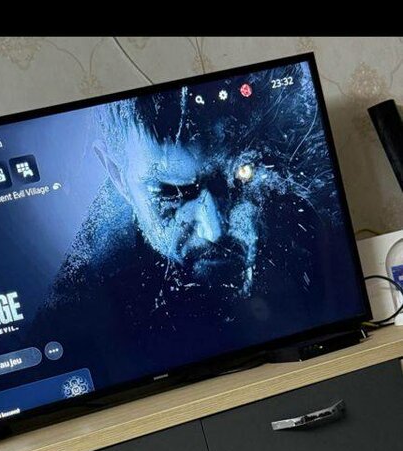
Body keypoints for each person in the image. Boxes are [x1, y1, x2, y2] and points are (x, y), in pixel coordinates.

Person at [33, 71, 347, 380]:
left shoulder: (307, 220)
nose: (215, 231)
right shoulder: (76, 306)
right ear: (116, 175)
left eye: (237, 178)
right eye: (172, 193)